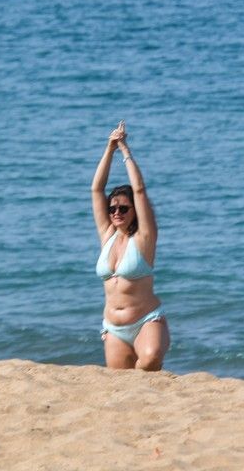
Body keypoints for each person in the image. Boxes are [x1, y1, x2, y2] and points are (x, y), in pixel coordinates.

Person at [91, 120, 169, 370]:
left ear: (135, 211)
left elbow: (140, 191)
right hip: (113, 328)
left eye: (123, 208)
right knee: (122, 386)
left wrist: (125, 151)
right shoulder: (107, 235)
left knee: (149, 360)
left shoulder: (144, 239)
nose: (116, 212)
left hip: (145, 320)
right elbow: (96, 189)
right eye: (112, 208)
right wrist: (109, 148)